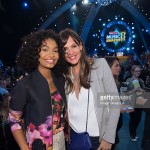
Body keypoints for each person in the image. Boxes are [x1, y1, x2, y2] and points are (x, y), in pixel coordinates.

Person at [59, 28, 120, 150]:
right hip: (73, 138)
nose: (70, 52)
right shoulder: (64, 75)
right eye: (65, 49)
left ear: (81, 46)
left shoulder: (99, 66)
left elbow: (114, 104)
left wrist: (108, 137)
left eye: (74, 46)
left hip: (97, 139)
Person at [9, 29, 68, 150]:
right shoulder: (24, 84)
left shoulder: (60, 80)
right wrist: (24, 148)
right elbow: (14, 121)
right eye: (45, 49)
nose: (51, 55)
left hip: (60, 141)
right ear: (35, 52)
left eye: (55, 50)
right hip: (38, 145)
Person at [126, 65, 145, 142]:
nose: (138, 72)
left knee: (138, 119)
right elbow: (125, 93)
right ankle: (132, 135)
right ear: (132, 72)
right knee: (133, 119)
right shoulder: (128, 80)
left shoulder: (141, 80)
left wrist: (142, 90)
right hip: (130, 102)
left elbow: (144, 91)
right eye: (136, 71)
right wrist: (134, 90)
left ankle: (134, 133)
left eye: (139, 71)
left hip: (140, 102)